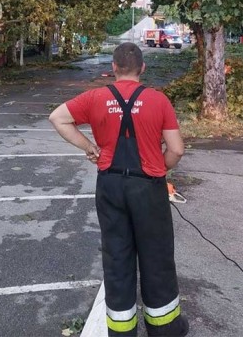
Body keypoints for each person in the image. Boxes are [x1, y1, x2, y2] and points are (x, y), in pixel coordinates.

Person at [49, 42, 188, 337]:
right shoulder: (158, 100)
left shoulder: (96, 97)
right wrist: (160, 168)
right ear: (142, 69)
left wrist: (90, 148)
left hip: (110, 186)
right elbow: (176, 149)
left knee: (117, 256)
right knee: (157, 256)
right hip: (148, 187)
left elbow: (58, 118)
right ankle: (165, 329)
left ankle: (122, 331)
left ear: (113, 68)